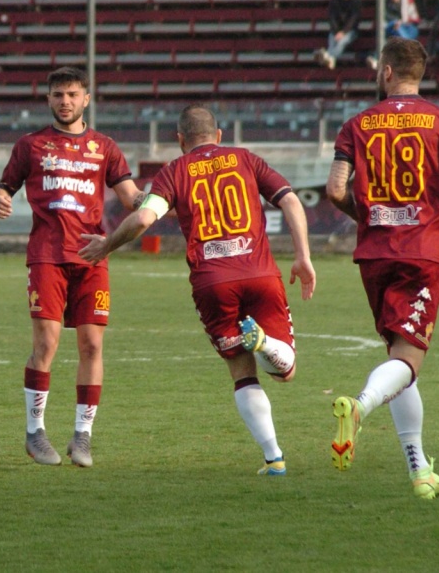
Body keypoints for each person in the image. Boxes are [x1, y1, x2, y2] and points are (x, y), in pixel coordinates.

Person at [79, 105, 316, 477]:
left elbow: (143, 217)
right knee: (285, 373)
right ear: (218, 135)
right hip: (259, 273)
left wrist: (106, 245)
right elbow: (289, 199)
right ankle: (266, 343)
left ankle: (274, 458)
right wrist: (302, 256)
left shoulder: (175, 171)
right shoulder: (246, 159)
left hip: (212, 282)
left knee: (242, 372)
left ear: (179, 140)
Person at [325, 37, 439, 500]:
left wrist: (367, 217)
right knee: (408, 359)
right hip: (423, 249)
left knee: (399, 354)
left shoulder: (357, 124)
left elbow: (335, 189)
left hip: (376, 253)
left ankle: (419, 469)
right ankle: (360, 406)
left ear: (387, 72)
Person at [0, 67, 142, 468]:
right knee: (47, 344)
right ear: (49, 99)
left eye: (73, 94)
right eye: (58, 94)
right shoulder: (31, 145)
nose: (65, 101)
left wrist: (162, 199)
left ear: (86, 98)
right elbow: (5, 186)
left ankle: (82, 437)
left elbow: (131, 197)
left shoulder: (105, 147)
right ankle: (35, 432)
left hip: (93, 255)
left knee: (92, 345)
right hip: (47, 255)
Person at [367, 0, 420, 71]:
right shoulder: (384, 5)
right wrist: (394, 24)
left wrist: (401, 24)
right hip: (390, 30)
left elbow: (414, 21)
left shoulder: (408, 5)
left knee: (393, 37)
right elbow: (382, 21)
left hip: (405, 31)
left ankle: (376, 59)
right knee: (389, 29)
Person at [315, 0, 362, 70]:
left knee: (341, 42)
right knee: (332, 42)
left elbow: (353, 19)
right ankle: (331, 60)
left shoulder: (356, 1)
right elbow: (331, 18)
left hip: (351, 31)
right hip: (336, 31)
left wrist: (343, 32)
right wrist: (337, 32)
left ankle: (327, 56)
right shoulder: (335, 1)